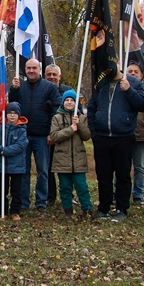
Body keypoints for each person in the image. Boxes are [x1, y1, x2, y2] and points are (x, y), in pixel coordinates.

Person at [87, 68, 144, 222]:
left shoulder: (133, 82)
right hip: (102, 137)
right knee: (103, 174)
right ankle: (104, 208)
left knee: (122, 175)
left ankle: (122, 208)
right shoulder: (100, 83)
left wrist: (129, 90)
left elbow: (141, 104)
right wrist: (94, 131)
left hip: (124, 137)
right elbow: (92, 107)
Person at [8, 58, 61, 210]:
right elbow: (12, 107)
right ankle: (23, 202)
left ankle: (41, 201)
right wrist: (14, 90)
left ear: (39, 69)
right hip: (22, 135)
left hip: (42, 135)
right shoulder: (21, 86)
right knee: (23, 170)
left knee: (43, 170)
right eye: (28, 68)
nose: (31, 71)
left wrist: (52, 131)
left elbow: (56, 109)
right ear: (25, 69)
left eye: (34, 68)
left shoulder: (49, 87)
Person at [50, 90, 93, 218]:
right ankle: (67, 209)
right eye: (67, 100)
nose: (69, 102)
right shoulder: (56, 118)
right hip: (62, 159)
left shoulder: (81, 118)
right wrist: (70, 129)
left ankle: (87, 209)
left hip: (78, 159)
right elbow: (54, 136)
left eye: (72, 100)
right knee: (64, 187)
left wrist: (79, 125)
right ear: (63, 102)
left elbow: (86, 136)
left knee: (81, 186)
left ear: (76, 103)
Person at [0, 101, 28, 220]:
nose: (12, 115)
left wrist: (5, 151)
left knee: (16, 191)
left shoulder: (22, 130)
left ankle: (15, 211)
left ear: (18, 115)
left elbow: (21, 145)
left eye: (14, 113)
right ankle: (2, 211)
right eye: (10, 113)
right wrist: (0, 149)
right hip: (3, 166)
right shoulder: (0, 129)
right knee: (2, 190)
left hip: (17, 166)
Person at [126, 62, 144, 205]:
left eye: (135, 72)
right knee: (121, 167)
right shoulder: (119, 90)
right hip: (123, 135)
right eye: (129, 71)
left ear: (141, 75)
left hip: (140, 135)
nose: (132, 74)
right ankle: (118, 192)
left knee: (139, 167)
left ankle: (138, 194)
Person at [44, 64, 73, 207]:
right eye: (49, 74)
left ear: (59, 76)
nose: (51, 77)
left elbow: (76, 112)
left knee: (66, 168)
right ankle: (50, 197)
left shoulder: (68, 91)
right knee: (48, 168)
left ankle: (68, 195)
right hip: (46, 137)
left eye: (54, 74)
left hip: (65, 137)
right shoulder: (41, 90)